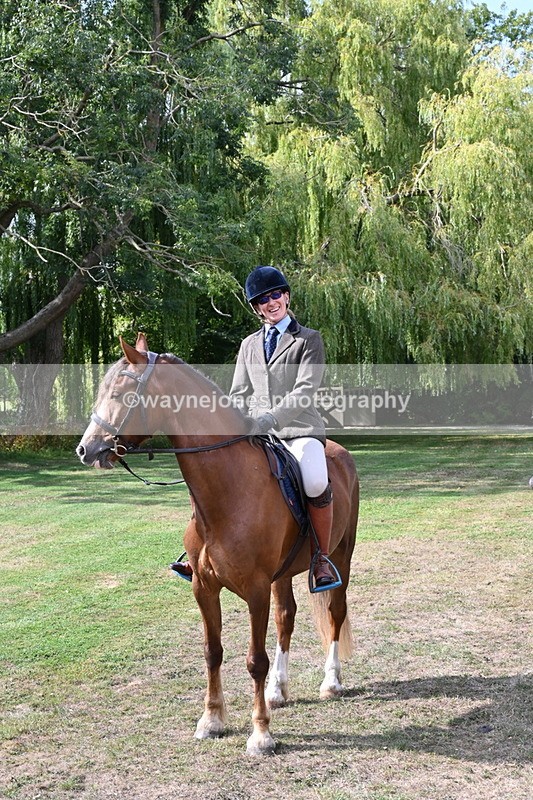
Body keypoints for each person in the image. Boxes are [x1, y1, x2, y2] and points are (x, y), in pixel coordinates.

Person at [171, 265, 338, 590]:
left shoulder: (308, 339)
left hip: (299, 430)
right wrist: (236, 424)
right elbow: (238, 393)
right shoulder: (248, 344)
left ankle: (321, 558)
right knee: (211, 475)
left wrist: (269, 419)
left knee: (316, 480)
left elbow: (305, 390)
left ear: (286, 297)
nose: (270, 302)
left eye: (275, 295)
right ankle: (199, 550)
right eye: (262, 299)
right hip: (255, 432)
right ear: (256, 308)